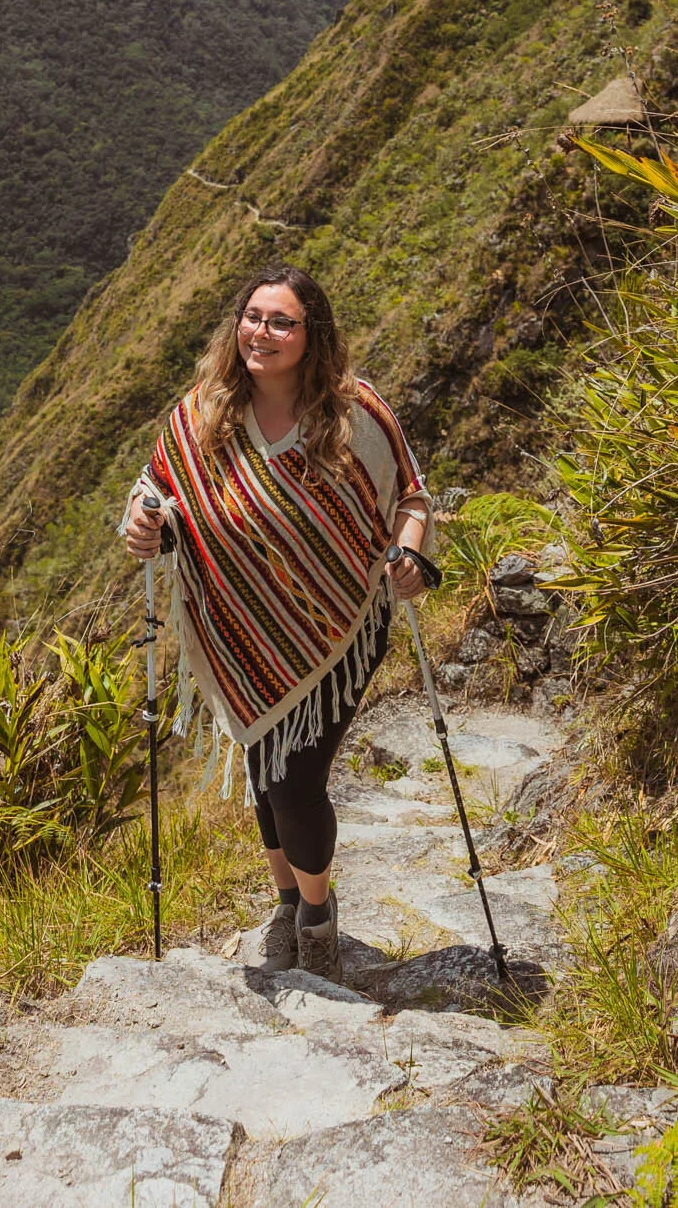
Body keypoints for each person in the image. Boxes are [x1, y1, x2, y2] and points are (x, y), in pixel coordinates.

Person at [121, 263, 434, 984]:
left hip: (339, 629)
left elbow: (411, 499)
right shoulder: (201, 414)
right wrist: (147, 526)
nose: (263, 331)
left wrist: (407, 557)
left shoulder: (357, 414)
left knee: (295, 781)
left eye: (281, 320)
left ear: (310, 334)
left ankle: (318, 921)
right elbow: (159, 495)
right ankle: (287, 899)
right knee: (266, 772)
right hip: (240, 626)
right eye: (254, 316)